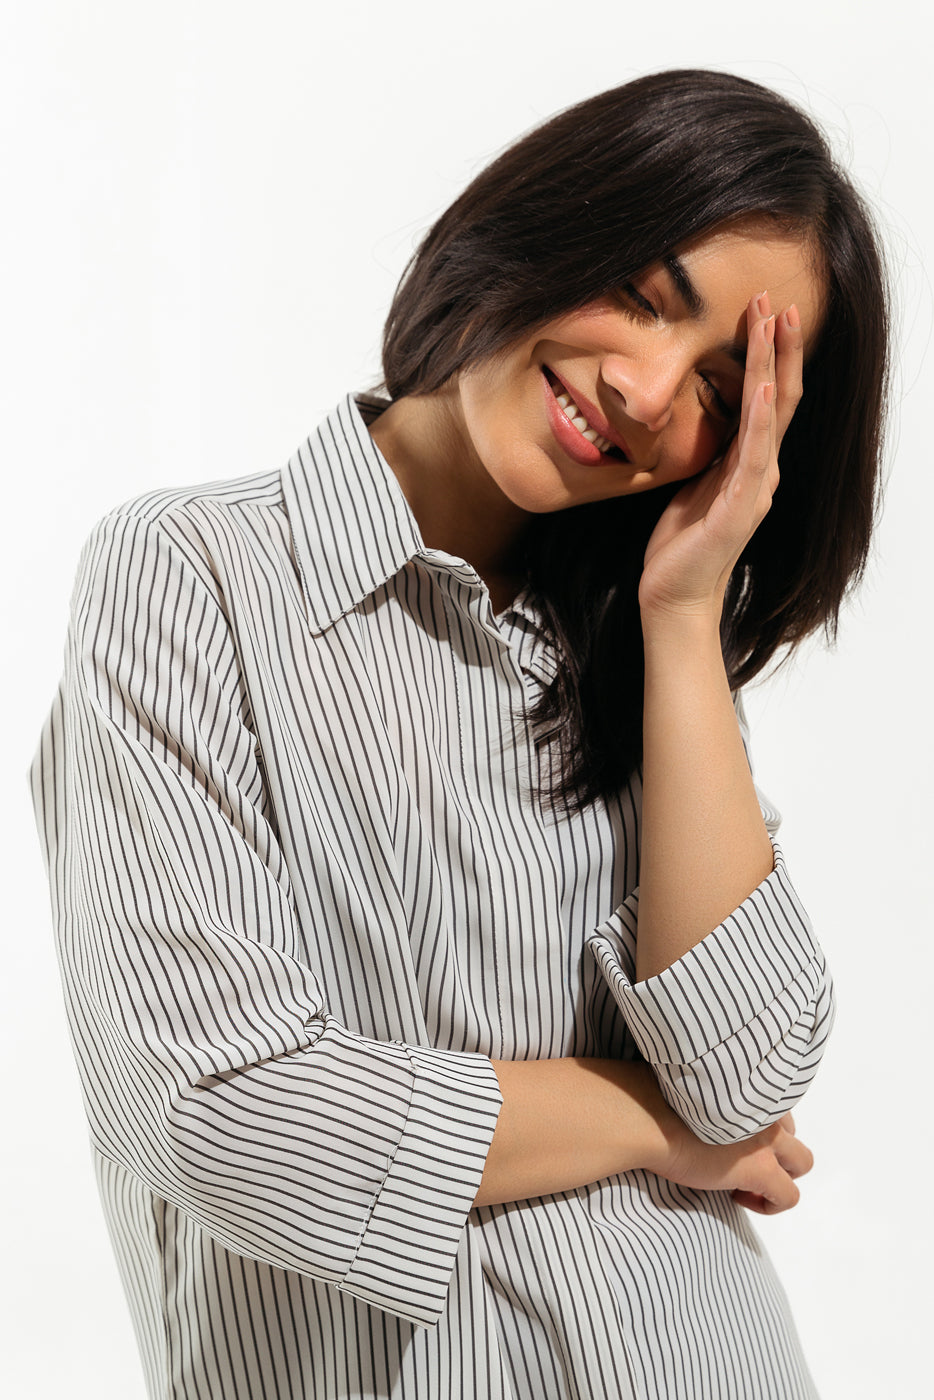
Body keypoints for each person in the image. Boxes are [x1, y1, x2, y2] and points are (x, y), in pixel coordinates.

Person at [31, 68, 888, 1400]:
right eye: (642, 293)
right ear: (546, 224)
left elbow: (745, 1080)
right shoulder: (190, 575)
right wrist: (639, 1116)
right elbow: (220, 1115)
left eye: (722, 392)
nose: (647, 390)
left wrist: (679, 622)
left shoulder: (634, 655)